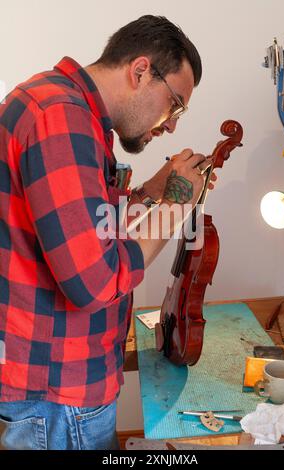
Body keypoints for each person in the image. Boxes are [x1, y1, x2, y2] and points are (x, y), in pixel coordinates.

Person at [0, 15, 216, 450]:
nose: (172, 123)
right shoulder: (61, 119)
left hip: (50, 382)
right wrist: (176, 205)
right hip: (61, 392)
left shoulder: (52, 101)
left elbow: (80, 226)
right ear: (139, 71)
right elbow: (93, 281)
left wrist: (151, 192)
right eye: (175, 103)